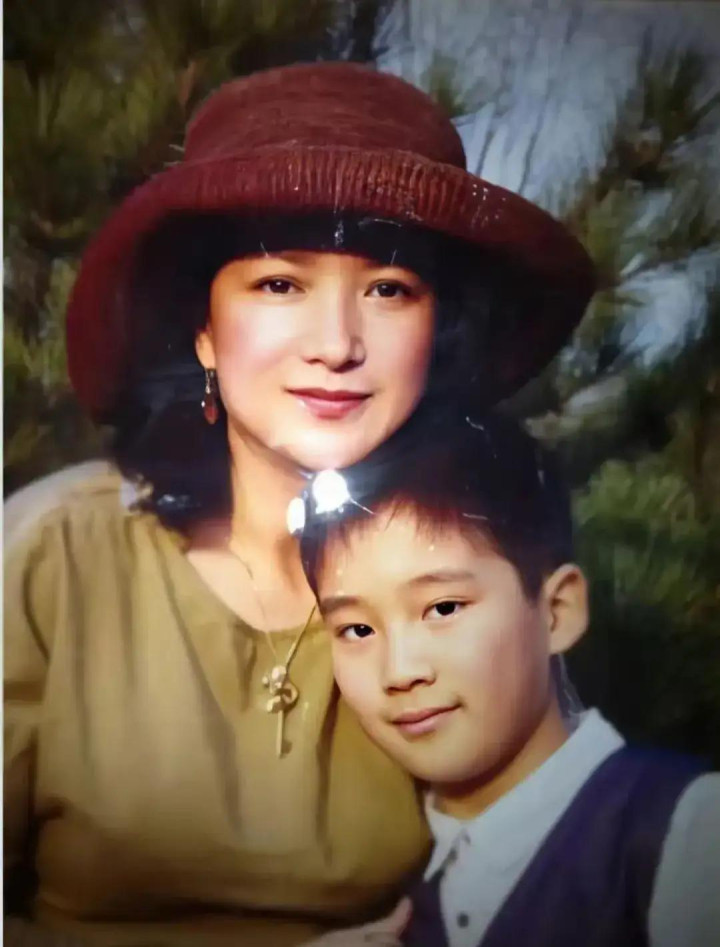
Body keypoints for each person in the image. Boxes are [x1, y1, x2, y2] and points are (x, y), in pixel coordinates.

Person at [4, 62, 594, 946]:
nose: (337, 345)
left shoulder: (477, 567)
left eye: (389, 289)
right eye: (280, 284)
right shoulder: (55, 551)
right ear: (204, 330)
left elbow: (567, 876)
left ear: (437, 334)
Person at [298, 410, 720, 947]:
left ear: (557, 611)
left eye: (444, 608)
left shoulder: (684, 832)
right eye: (357, 629)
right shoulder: (402, 892)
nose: (399, 671)